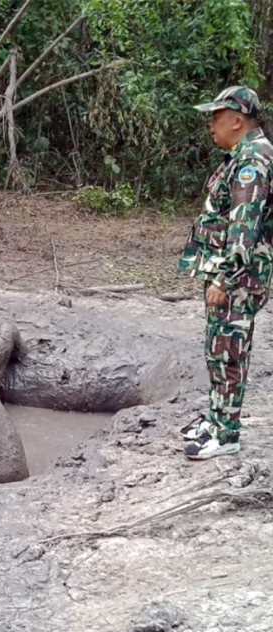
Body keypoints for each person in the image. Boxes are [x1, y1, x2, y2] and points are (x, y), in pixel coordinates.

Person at [178, 85, 273, 460]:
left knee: (228, 352)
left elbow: (244, 228)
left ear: (237, 120)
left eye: (216, 117)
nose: (211, 124)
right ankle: (217, 418)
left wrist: (224, 278)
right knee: (218, 348)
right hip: (232, 274)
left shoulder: (253, 161)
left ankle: (226, 434)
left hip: (238, 278)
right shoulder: (243, 154)